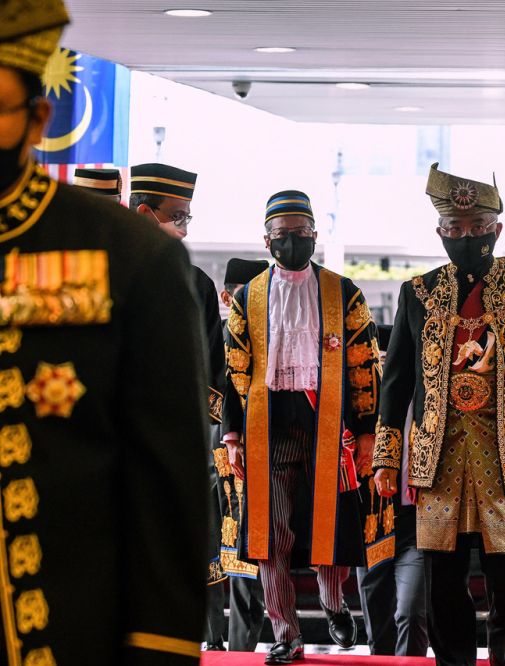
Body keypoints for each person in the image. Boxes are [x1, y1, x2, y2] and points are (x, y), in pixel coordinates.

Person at [0, 2, 209, 662]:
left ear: (36, 119)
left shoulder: (127, 257)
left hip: (62, 630)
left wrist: (160, 645)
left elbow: (166, 477)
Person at [372, 163, 505, 666]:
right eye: (456, 231)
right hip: (438, 463)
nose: (468, 239)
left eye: (479, 230)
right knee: (443, 583)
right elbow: (395, 386)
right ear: (440, 232)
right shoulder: (417, 294)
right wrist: (384, 457)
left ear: (498, 230)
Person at [221, 191, 379, 664]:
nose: (292, 241)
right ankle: (285, 633)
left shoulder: (343, 290)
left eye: (301, 233)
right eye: (282, 235)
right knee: (273, 535)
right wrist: (232, 437)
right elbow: (234, 371)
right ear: (266, 239)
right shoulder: (248, 296)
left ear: (314, 234)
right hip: (267, 424)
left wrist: (368, 431)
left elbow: (364, 365)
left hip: (325, 421)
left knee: (327, 525)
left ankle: (334, 603)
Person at [128, 162, 229, 648]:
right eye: (178, 216)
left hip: (170, 443)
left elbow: (210, 371)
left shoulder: (194, 282)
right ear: (146, 213)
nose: (184, 228)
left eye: (188, 217)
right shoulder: (96, 268)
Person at [356, 324, 430, 658]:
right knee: (378, 624)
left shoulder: (428, 404)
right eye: (380, 360)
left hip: (417, 521)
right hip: (371, 522)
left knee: (412, 612)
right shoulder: (358, 409)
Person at [217, 258, 270, 652]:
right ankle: (216, 646)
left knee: (246, 565)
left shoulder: (268, 341)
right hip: (215, 463)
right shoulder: (211, 338)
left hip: (257, 462)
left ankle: (239, 651)